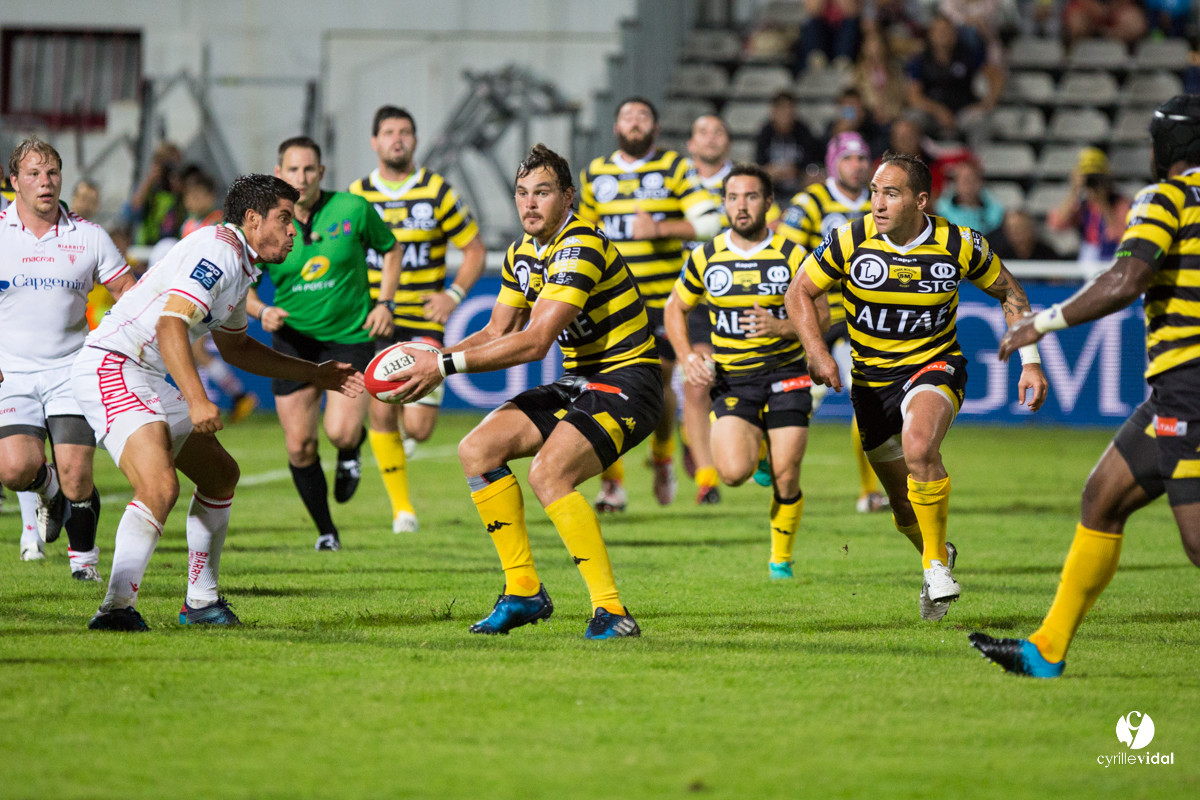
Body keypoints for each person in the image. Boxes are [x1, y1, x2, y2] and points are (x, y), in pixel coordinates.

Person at [970, 95, 1200, 677]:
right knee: (1103, 495)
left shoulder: (1166, 197)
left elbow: (1128, 277)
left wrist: (1038, 323)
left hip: (1189, 386)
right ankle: (1046, 649)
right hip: (1174, 393)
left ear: (1164, 147)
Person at [75, 173, 364, 631]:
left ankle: (201, 602)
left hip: (141, 371)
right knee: (160, 488)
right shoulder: (219, 253)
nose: (294, 231)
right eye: (284, 219)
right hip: (112, 364)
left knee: (220, 475)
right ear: (252, 219)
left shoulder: (240, 263)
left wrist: (316, 375)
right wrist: (197, 400)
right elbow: (172, 326)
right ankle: (114, 610)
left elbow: (237, 349)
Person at [391, 144, 657, 639]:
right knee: (477, 449)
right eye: (521, 193)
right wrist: (433, 361)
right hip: (580, 381)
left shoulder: (580, 246)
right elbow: (496, 333)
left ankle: (611, 610)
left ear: (568, 198)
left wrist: (443, 363)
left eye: (542, 192)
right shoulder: (521, 252)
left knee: (549, 473)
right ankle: (523, 592)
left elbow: (534, 342)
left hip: (628, 379)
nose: (529, 203)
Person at [786, 151, 1049, 620]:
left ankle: (932, 567)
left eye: (891, 193)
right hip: (870, 384)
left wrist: (1030, 362)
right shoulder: (850, 240)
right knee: (902, 508)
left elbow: (1010, 293)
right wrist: (818, 351)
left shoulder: (959, 243)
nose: (878, 204)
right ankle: (936, 553)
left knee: (920, 446)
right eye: (873, 193)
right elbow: (799, 291)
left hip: (934, 366)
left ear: (921, 201)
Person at [665, 165, 823, 578]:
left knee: (787, 476)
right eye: (733, 197)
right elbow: (674, 309)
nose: (741, 205)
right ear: (723, 204)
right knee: (733, 474)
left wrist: (783, 327)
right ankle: (764, 450)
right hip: (733, 379)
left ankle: (780, 560)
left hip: (786, 373)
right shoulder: (707, 255)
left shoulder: (792, 254)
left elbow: (821, 313)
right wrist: (686, 357)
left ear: (768, 203)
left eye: (751, 197)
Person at [247, 137, 400, 551]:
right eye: (293, 170)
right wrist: (261, 311)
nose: (301, 178)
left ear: (322, 173)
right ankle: (326, 532)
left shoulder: (353, 208)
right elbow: (241, 284)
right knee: (299, 445)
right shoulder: (260, 224)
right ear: (279, 174)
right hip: (293, 341)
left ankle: (351, 450)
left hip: (349, 337)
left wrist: (385, 302)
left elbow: (391, 249)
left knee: (340, 431)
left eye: (309, 169)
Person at [0, 136, 137, 578]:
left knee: (79, 475)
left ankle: (84, 563)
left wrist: (118, 343)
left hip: (70, 370)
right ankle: (48, 490)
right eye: (34, 174)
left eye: (53, 173)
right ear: (13, 181)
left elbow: (130, 294)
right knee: (15, 469)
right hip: (12, 373)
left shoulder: (89, 236)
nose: (45, 182)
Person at [578, 97, 721, 512]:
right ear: (615, 127)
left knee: (656, 387)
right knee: (601, 388)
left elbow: (710, 220)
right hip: (609, 301)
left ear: (656, 129)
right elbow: (583, 233)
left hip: (661, 300)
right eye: (627, 116)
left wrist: (658, 229)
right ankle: (612, 485)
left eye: (643, 116)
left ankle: (661, 456)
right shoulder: (595, 175)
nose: (634, 122)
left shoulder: (675, 168)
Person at [349, 106, 486, 534]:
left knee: (421, 428)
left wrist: (453, 294)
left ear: (415, 139)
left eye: (405, 131)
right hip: (377, 321)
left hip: (424, 323)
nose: (397, 139)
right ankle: (402, 511)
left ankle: (396, 450)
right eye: (388, 132)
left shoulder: (438, 191)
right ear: (374, 142)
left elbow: (475, 249)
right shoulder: (357, 195)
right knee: (381, 406)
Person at [780, 132, 886, 513]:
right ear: (832, 163)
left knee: (867, 401)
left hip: (866, 319)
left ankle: (869, 490)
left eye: (862, 158)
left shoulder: (881, 202)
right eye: (849, 158)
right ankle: (765, 449)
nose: (857, 165)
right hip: (820, 317)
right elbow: (785, 252)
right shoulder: (811, 201)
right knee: (797, 401)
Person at [180, 168, 259, 423]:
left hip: (212, 293)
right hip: (193, 292)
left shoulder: (217, 222)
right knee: (194, 351)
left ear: (210, 196)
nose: (192, 201)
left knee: (195, 349)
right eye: (188, 196)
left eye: (198, 195)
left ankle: (221, 399)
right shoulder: (188, 224)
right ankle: (229, 397)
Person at [904, 15, 1002, 142]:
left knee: (980, 120)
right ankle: (916, 159)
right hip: (933, 112)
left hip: (963, 111)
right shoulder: (920, 60)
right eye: (939, 31)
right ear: (930, 35)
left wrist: (988, 102)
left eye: (946, 31)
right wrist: (938, 111)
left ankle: (978, 158)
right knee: (912, 118)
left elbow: (996, 75)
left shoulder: (967, 55)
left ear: (954, 35)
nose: (943, 35)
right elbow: (914, 97)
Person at [1047, 147, 1132, 269]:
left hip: (1114, 261)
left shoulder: (1121, 204)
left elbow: (1120, 236)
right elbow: (1057, 224)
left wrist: (1103, 203)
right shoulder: (1082, 206)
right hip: (1087, 262)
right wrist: (1074, 190)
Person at [754, 91, 825, 200]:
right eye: (782, 110)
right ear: (773, 111)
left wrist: (797, 171)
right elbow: (760, 166)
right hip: (772, 192)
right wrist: (774, 172)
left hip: (799, 189)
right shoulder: (765, 132)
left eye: (789, 110)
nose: (786, 114)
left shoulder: (803, 131)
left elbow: (813, 165)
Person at [934, 158, 1005, 237]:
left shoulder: (995, 213)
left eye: (972, 180)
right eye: (964, 180)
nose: (968, 186)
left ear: (981, 182)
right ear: (955, 183)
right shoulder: (940, 212)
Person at [988, 209, 1059, 261]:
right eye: (1011, 230)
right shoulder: (998, 254)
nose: (1015, 234)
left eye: (1019, 228)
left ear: (1030, 228)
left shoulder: (1047, 253)